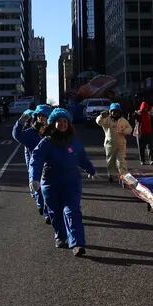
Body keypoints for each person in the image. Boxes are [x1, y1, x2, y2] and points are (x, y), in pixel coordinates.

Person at [29, 108, 96, 256]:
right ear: (53, 123)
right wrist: (34, 178)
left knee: (72, 210)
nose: (62, 124)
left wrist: (90, 169)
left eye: (65, 121)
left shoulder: (74, 141)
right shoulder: (46, 142)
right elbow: (36, 160)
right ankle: (60, 236)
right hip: (50, 182)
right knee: (55, 212)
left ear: (69, 123)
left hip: (71, 180)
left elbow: (82, 157)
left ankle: (77, 243)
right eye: (59, 121)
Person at [12, 108, 48, 220]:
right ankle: (42, 206)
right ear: (36, 117)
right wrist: (21, 120)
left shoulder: (53, 131)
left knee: (50, 190)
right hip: (37, 166)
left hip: (51, 166)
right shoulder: (31, 132)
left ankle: (48, 211)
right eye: (40, 116)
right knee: (38, 189)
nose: (42, 118)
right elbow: (17, 135)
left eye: (45, 116)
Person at [96, 103, 133, 182]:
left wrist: (125, 131)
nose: (116, 113)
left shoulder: (123, 120)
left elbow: (129, 128)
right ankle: (111, 174)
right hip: (110, 144)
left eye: (117, 112)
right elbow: (99, 122)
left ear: (120, 112)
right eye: (114, 111)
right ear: (110, 112)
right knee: (111, 160)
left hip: (121, 143)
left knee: (121, 160)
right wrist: (101, 116)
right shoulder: (107, 119)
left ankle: (124, 176)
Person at [133, 101, 153, 165]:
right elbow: (134, 117)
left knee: (149, 147)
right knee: (142, 148)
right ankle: (143, 160)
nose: (145, 110)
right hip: (140, 133)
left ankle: (150, 160)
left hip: (148, 132)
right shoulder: (139, 114)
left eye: (146, 108)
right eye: (144, 108)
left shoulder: (149, 113)